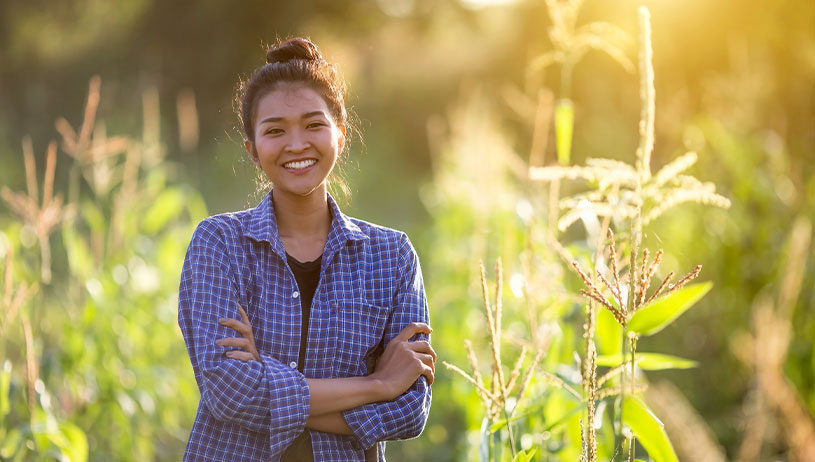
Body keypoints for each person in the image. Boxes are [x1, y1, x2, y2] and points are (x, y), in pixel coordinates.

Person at [177, 37, 436, 462]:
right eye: (275, 130)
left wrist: (264, 376)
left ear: (341, 133)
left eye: (313, 124)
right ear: (253, 151)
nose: (296, 144)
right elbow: (227, 391)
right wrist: (377, 385)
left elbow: (410, 410)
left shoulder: (392, 257)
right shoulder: (218, 243)